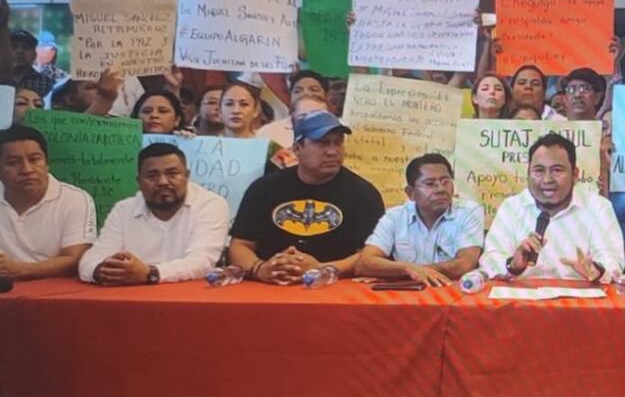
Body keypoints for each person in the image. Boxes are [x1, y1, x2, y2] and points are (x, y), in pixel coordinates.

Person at [228, 109, 385, 284]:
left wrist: (323, 269)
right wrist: (259, 268)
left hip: (334, 288)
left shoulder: (363, 193)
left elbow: (372, 253)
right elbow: (240, 245)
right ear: (297, 148)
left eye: (338, 143)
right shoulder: (264, 188)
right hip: (271, 286)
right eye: (323, 143)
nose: (333, 152)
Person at [78, 143, 230, 285]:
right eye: (152, 176)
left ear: (187, 175)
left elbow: (202, 262)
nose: (163, 182)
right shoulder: (123, 210)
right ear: (139, 181)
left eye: (172, 174)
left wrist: (150, 274)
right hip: (132, 297)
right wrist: (103, 271)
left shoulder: (210, 204)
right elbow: (90, 260)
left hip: (190, 297)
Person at [479, 133, 624, 281]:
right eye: (539, 171)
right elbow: (489, 260)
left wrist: (596, 270)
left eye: (557, 170)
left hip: (578, 301)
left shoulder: (598, 208)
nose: (547, 179)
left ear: (575, 174)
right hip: (521, 300)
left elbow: (613, 261)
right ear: (528, 173)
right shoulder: (512, 207)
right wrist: (513, 265)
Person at [355, 153, 484, 285]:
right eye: (430, 184)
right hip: (407, 294)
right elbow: (365, 263)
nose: (440, 189)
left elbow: (464, 265)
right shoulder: (394, 217)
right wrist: (407, 269)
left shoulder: (468, 212)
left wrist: (403, 272)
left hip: (450, 291)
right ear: (410, 193)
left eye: (446, 182)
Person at [0, 125, 95, 280]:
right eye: (13, 163)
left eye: (34, 160)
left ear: (47, 163)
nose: (26, 170)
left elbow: (75, 259)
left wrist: (19, 270)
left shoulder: (75, 199)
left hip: (53, 290)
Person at [10, 30, 55, 97]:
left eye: (26, 47)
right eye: (14, 47)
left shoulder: (48, 86)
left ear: (34, 55)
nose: (20, 51)